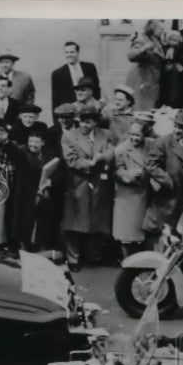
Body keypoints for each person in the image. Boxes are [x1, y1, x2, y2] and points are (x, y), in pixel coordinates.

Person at [61, 104, 115, 270]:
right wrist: (90, 163)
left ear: (95, 122)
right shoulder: (69, 136)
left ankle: (93, 255)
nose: (84, 125)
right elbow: (71, 160)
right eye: (82, 121)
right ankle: (73, 258)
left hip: (99, 184)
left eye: (88, 122)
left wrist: (104, 156)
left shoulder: (106, 134)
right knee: (74, 223)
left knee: (97, 221)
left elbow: (112, 152)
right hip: (78, 183)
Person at [143, 109, 183, 243]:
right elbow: (150, 164)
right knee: (164, 231)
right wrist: (166, 180)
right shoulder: (163, 142)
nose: (177, 130)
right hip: (168, 195)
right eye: (176, 126)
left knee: (182, 231)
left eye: (181, 128)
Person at [10, 127, 58, 251]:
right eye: (30, 141)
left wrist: (49, 183)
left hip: (42, 191)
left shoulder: (49, 154)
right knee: (23, 219)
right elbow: (15, 155)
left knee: (41, 221)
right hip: (24, 191)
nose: (33, 145)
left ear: (43, 143)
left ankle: (39, 247)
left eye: (36, 142)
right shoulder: (22, 152)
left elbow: (54, 171)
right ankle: (22, 248)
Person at [112, 120, 153, 257]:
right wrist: (132, 175)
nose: (134, 138)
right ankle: (127, 261)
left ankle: (141, 260)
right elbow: (117, 171)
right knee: (126, 232)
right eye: (131, 134)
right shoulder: (121, 149)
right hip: (128, 195)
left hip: (146, 193)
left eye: (137, 135)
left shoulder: (150, 145)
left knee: (143, 231)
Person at [126, 20, 166, 112]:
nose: (162, 31)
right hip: (142, 79)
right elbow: (131, 56)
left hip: (153, 81)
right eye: (160, 29)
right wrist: (143, 48)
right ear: (152, 28)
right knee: (142, 108)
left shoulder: (157, 41)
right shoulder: (142, 40)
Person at [51, 41, 101, 112]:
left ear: (77, 52)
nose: (69, 55)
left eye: (72, 52)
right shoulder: (57, 74)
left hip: (90, 111)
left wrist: (97, 109)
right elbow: (55, 100)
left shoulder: (90, 67)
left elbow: (96, 89)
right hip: (69, 113)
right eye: (66, 52)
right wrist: (57, 118)